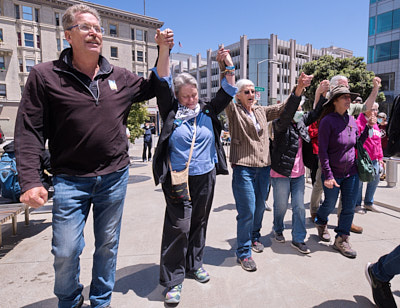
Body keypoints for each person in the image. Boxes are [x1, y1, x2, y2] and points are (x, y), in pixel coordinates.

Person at [14, 4, 173, 307]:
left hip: (114, 177)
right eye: (86, 27)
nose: (95, 33)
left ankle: (101, 300)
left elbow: (155, 85)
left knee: (107, 246)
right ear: (68, 35)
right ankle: (70, 300)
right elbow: (28, 130)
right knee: (65, 250)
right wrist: (30, 181)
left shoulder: (120, 76)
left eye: (98, 28)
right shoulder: (44, 76)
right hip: (69, 181)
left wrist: (162, 50)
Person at [152, 47, 236, 304]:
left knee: (199, 221)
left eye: (195, 95)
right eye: (186, 97)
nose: (192, 100)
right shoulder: (171, 112)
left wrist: (227, 63)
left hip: (205, 176)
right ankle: (173, 281)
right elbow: (162, 80)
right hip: (178, 178)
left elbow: (229, 89)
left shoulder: (207, 112)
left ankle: (194, 264)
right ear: (177, 97)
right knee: (179, 226)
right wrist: (164, 50)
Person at [226, 77, 289, 272]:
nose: (251, 95)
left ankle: (254, 236)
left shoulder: (261, 111)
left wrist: (299, 89)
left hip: (263, 167)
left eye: (253, 91)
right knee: (247, 211)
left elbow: (281, 108)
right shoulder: (234, 110)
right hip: (244, 167)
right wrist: (225, 69)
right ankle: (244, 253)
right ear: (238, 95)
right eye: (246, 92)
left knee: (260, 206)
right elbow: (226, 93)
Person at [311, 75, 381, 234]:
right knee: (328, 200)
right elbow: (322, 148)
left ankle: (343, 234)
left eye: (349, 93)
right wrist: (328, 174)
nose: (348, 96)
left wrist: (369, 127)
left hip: (351, 170)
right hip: (331, 166)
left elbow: (358, 141)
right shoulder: (327, 117)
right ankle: (319, 218)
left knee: (348, 204)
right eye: (344, 93)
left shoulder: (351, 118)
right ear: (334, 97)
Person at [269, 73, 317, 254]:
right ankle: (278, 228)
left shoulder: (301, 123)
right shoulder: (279, 124)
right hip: (281, 173)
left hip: (298, 175)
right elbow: (289, 110)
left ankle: (298, 238)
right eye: (296, 108)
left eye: (300, 108)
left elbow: (315, 113)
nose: (299, 111)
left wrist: (320, 92)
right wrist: (298, 89)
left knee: (298, 207)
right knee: (281, 205)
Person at [355, 103, 384, 214]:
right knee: (359, 182)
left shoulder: (375, 124)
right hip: (361, 158)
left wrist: (380, 157)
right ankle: (357, 204)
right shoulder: (359, 123)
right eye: (373, 109)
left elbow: (378, 142)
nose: (376, 112)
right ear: (366, 109)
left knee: (375, 179)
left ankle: (368, 202)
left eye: (377, 109)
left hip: (374, 159)